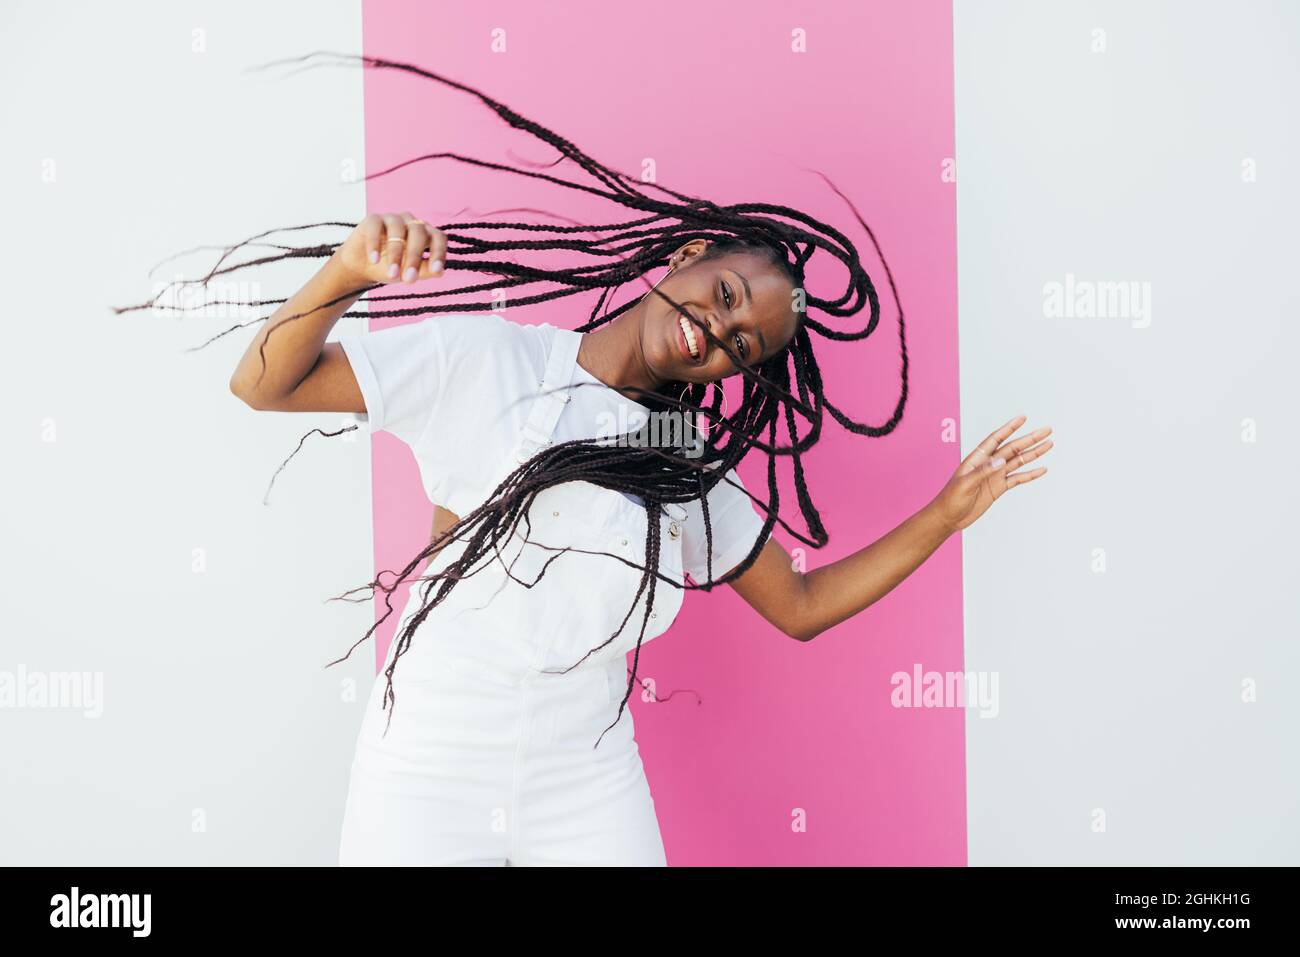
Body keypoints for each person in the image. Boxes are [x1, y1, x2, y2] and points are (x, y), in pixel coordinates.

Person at [182, 54, 1053, 865]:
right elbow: (263, 384)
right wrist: (344, 275)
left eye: (744, 344)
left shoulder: (682, 460)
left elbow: (801, 604)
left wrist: (947, 509)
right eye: (725, 294)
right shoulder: (490, 362)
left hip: (585, 775)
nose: (721, 328)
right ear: (685, 257)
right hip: (428, 760)